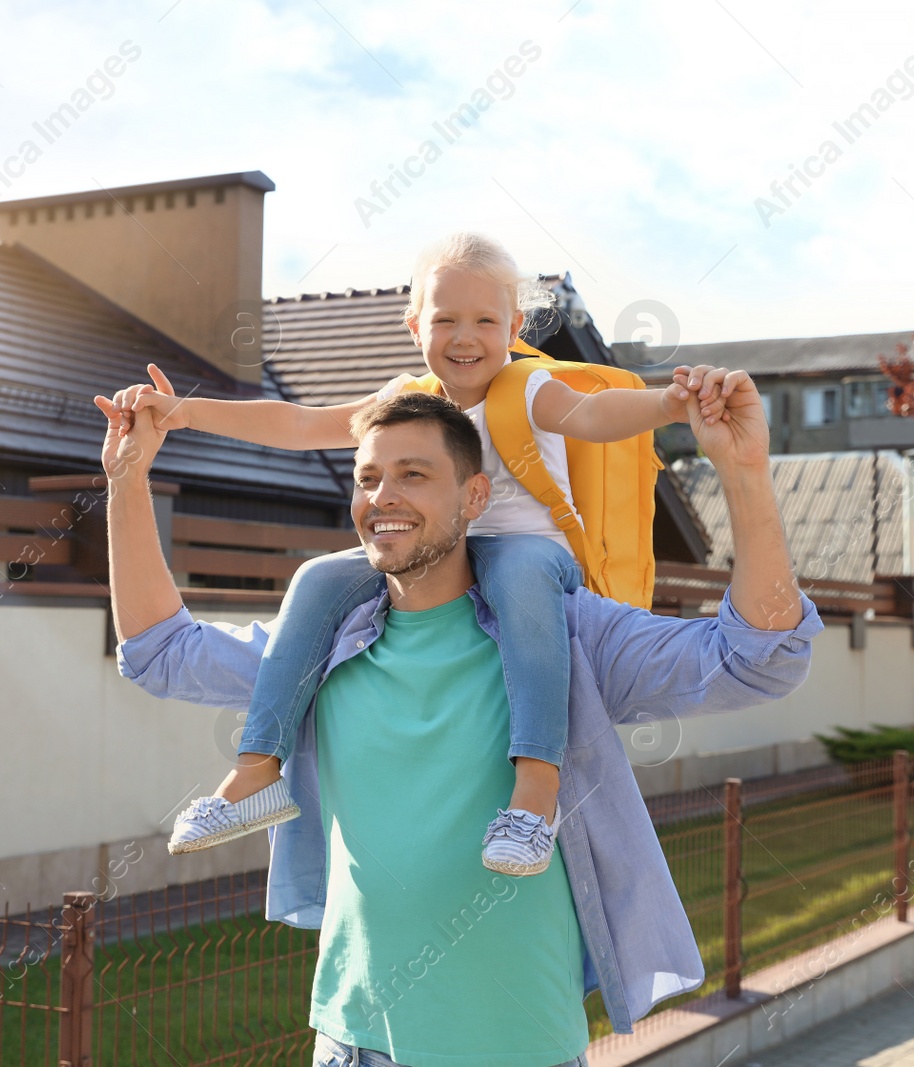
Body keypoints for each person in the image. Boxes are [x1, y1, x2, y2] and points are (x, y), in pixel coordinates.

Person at [95, 365, 823, 1065]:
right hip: (351, 1043)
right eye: (369, 477)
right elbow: (162, 653)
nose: (384, 496)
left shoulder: (568, 639)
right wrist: (127, 483)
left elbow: (757, 658)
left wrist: (744, 472)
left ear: (476, 497)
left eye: (414, 474)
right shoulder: (322, 645)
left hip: (519, 1049)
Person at [112, 233, 706, 877]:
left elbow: (595, 415)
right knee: (317, 576)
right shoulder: (405, 400)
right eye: (445, 319)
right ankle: (258, 770)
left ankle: (536, 790)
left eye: (485, 320)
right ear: (413, 325)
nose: (465, 336)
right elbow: (300, 424)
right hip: (431, 551)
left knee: (521, 582)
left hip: (527, 552)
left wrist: (668, 404)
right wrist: (184, 413)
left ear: (514, 327)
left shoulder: (529, 390)